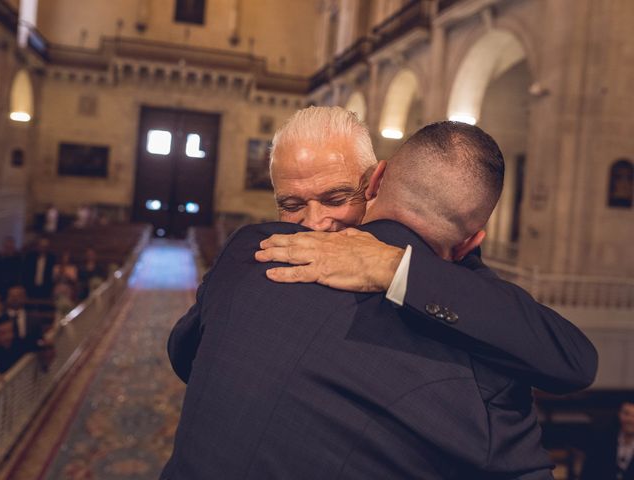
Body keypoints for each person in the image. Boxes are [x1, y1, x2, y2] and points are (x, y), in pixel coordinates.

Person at [163, 116, 596, 479]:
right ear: (473, 240)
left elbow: (572, 359)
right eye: (291, 205)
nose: (315, 226)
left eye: (336, 197)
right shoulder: (260, 252)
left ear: (374, 181)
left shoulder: (249, 251)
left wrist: (395, 267)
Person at [581, 400, 634, 480]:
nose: (630, 420)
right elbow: (587, 473)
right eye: (626, 414)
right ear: (619, 414)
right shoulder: (601, 442)